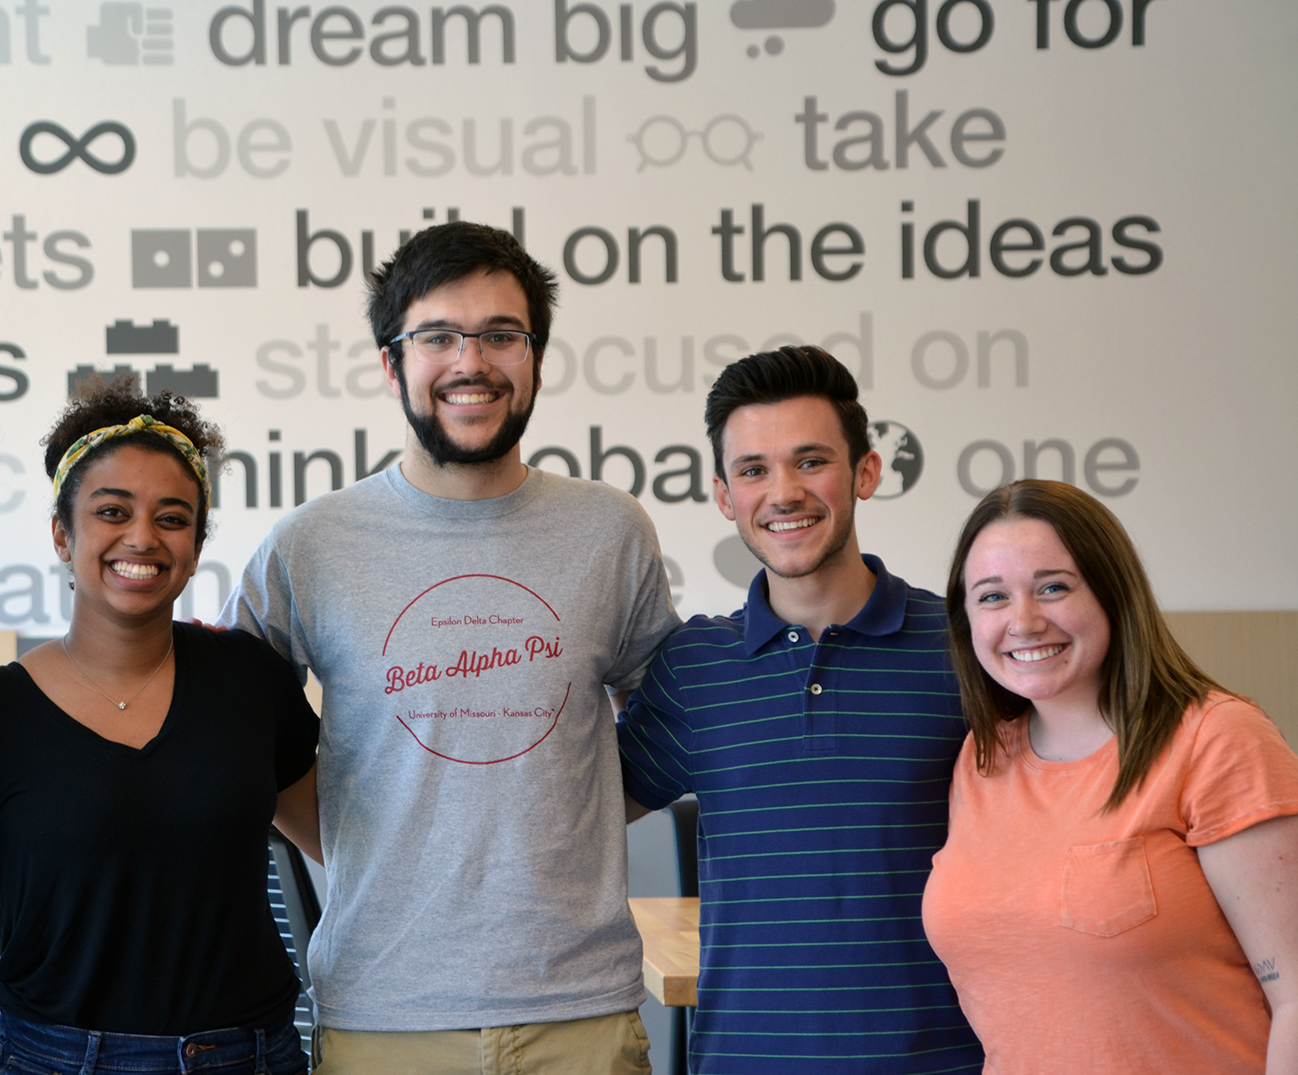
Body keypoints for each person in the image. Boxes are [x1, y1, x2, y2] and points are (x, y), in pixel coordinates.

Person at [219, 220, 680, 1074]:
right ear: (393, 362)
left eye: (502, 335)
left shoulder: (610, 531)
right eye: (439, 336)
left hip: (580, 1012)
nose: (472, 362)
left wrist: (558, 816)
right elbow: (231, 729)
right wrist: (360, 835)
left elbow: (667, 713)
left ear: (537, 359)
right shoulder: (311, 544)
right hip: (384, 1014)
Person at [617, 346, 984, 1074]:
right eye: (753, 470)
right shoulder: (696, 666)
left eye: (811, 460)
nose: (783, 491)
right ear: (725, 495)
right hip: (746, 1059)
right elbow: (576, 810)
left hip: (941, 1059)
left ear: (867, 472)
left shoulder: (963, 648)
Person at [0, 381, 320, 1075]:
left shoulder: (248, 677)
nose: (142, 537)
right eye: (112, 511)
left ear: (197, 543)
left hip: (249, 1056)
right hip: (55, 1058)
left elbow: (341, 841)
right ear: (62, 532)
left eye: (172, 518)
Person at [923, 479, 1298, 1074]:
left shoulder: (1217, 739)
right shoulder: (981, 758)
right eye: (992, 597)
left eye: (1053, 587)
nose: (1023, 621)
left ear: (1112, 592)